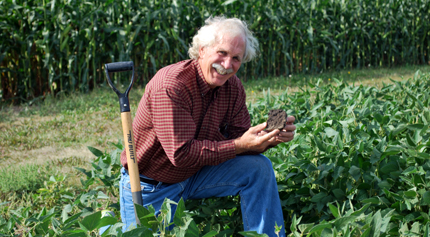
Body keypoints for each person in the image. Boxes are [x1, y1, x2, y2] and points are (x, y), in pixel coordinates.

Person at [118, 16, 296, 236]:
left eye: (236, 58)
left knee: (258, 168)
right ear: (202, 50)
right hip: (152, 185)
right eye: (221, 53)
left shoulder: (232, 87)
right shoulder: (172, 85)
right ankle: (110, 225)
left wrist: (266, 138)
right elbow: (181, 154)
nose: (227, 65)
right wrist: (240, 144)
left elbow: (239, 138)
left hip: (195, 175)